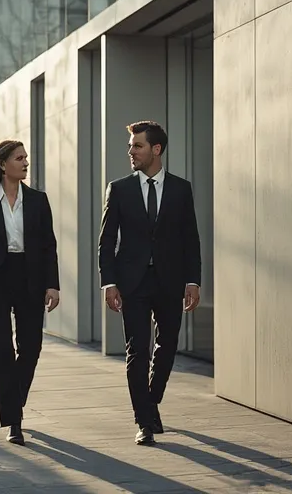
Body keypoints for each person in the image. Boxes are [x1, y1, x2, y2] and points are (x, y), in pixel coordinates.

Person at [98, 120, 202, 446]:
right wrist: (109, 283)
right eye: (131, 146)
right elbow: (106, 242)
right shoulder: (119, 189)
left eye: (137, 146)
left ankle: (152, 401)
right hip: (133, 283)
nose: (131, 151)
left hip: (170, 281)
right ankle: (143, 422)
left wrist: (193, 281)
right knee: (137, 351)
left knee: (167, 345)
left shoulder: (181, 189)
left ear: (156, 149)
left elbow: (191, 239)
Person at [0, 139, 60, 446]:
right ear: (3, 164)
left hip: (30, 276)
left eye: (26, 158)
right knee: (2, 348)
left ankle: (13, 399)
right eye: (20, 158)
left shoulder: (39, 200)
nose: (26, 163)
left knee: (31, 346)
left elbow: (48, 246)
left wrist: (52, 284)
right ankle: (13, 420)